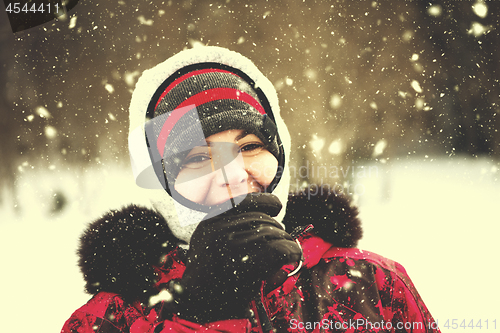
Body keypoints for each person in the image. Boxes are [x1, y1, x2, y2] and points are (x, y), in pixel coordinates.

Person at [61, 46, 440, 332]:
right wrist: (200, 314)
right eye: (197, 158)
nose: (233, 175)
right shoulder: (110, 319)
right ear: (162, 181)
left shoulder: (371, 282)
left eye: (249, 147)